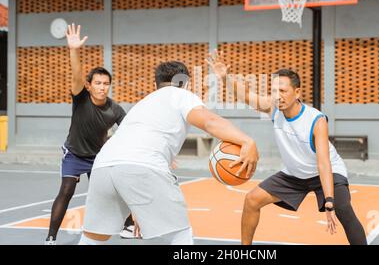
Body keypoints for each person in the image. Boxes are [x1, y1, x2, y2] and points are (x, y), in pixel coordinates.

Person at [78, 61, 259, 245]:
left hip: (103, 166)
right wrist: (247, 141)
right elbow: (209, 122)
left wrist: (138, 206)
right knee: (180, 234)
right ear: (185, 83)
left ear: (155, 84)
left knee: (93, 237)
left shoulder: (144, 103)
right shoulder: (181, 94)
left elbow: (127, 156)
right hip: (141, 165)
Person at [207, 51, 367, 245]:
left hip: (326, 172)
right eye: (274, 91)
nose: (277, 96)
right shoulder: (273, 107)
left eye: (282, 91)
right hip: (294, 175)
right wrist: (225, 78)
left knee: (343, 209)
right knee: (251, 200)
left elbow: (323, 163)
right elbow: (246, 95)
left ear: (297, 92)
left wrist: (330, 200)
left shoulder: (316, 120)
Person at [45, 24, 131, 245]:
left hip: (98, 156)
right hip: (74, 153)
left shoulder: (115, 109)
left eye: (106, 84)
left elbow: (131, 131)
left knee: (113, 188)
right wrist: (74, 50)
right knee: (66, 191)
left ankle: (128, 224)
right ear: (89, 86)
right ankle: (50, 238)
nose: (103, 87)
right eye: (98, 83)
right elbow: (76, 75)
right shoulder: (81, 98)